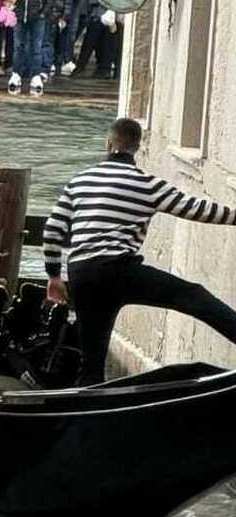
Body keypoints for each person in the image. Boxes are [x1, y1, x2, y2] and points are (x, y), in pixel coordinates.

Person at [43, 117, 236, 385]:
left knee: (92, 364)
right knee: (193, 296)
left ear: (109, 144)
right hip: (119, 270)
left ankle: (87, 420)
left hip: (81, 274)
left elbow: (52, 229)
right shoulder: (147, 184)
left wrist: (54, 276)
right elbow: (198, 209)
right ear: (137, 147)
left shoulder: (80, 181)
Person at [8, 0, 50, 95]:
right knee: (18, 46)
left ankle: (36, 75)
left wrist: (44, 12)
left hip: (37, 16)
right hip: (19, 15)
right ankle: (16, 73)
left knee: (36, 47)